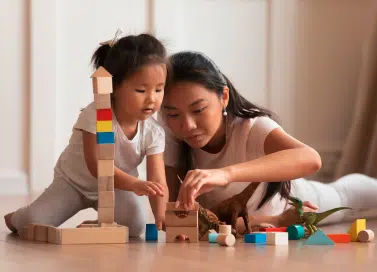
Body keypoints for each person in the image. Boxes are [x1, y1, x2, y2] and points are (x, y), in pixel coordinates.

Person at [158, 50, 377, 231]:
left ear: (224, 97)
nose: (187, 125)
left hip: (304, 200)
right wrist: (276, 221)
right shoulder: (172, 138)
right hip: (264, 223)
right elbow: (176, 220)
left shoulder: (250, 127)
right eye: (174, 114)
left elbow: (311, 159)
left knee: (345, 195)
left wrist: (225, 174)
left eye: (198, 109)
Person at [4, 33, 169, 237]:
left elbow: (158, 179)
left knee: (135, 227)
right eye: (141, 90)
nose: (151, 99)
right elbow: (97, 166)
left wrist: (161, 215)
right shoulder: (97, 115)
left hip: (117, 188)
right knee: (32, 223)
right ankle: (17, 216)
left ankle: (99, 221)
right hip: (74, 184)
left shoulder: (153, 132)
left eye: (159, 90)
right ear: (114, 87)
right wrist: (135, 184)